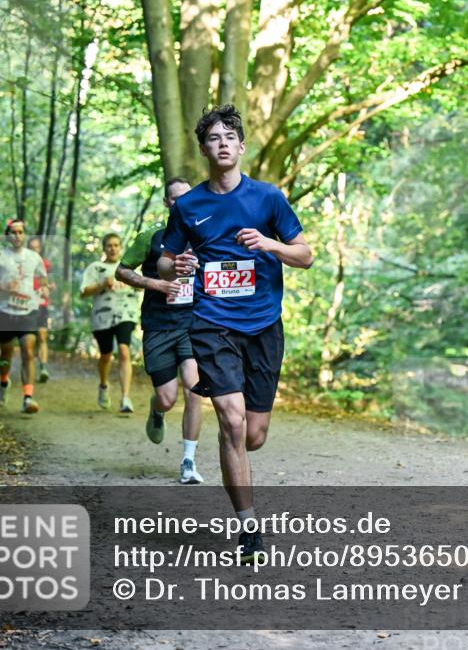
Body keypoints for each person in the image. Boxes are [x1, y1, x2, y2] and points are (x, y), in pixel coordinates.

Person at [158, 105, 313, 561]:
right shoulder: (189, 206)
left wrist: (269, 244)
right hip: (211, 322)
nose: (222, 144)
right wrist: (177, 264)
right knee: (231, 419)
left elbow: (305, 256)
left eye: (229, 137)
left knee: (253, 434)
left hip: (263, 324)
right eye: (213, 138)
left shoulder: (268, 198)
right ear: (204, 150)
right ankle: (249, 530)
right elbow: (165, 261)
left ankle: (234, 453)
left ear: (241, 147)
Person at [117, 178, 205, 484]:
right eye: (175, 198)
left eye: (187, 197)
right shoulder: (152, 236)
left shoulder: (206, 234)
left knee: (194, 389)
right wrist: (155, 283)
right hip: (159, 325)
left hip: (194, 323)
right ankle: (157, 410)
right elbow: (121, 270)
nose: (182, 203)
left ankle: (188, 461)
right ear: (167, 203)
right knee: (167, 398)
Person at [0, 218, 48, 413]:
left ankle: (28, 398)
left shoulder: (34, 257)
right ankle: (4, 382)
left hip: (28, 311)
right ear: (7, 235)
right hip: (5, 311)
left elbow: (42, 278)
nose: (17, 236)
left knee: (28, 351)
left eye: (20, 232)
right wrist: (3, 286)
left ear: (24, 235)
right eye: (14, 232)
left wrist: (43, 288)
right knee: (6, 353)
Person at [80, 233, 141, 413]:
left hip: (126, 314)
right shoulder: (95, 268)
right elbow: (83, 292)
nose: (113, 248)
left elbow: (143, 285)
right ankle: (103, 385)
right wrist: (101, 284)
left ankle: (125, 398)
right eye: (109, 245)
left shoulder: (129, 267)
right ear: (104, 248)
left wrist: (131, 280)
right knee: (106, 355)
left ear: (120, 248)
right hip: (102, 318)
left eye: (116, 245)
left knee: (124, 350)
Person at [27, 236, 54, 382]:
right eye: (31, 248)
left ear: (40, 249)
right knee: (30, 340)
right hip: (27, 306)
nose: (34, 251)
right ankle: (29, 366)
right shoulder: (23, 265)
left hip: (42, 305)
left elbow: (50, 282)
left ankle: (43, 368)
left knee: (43, 336)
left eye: (36, 248)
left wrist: (49, 287)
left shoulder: (46, 264)